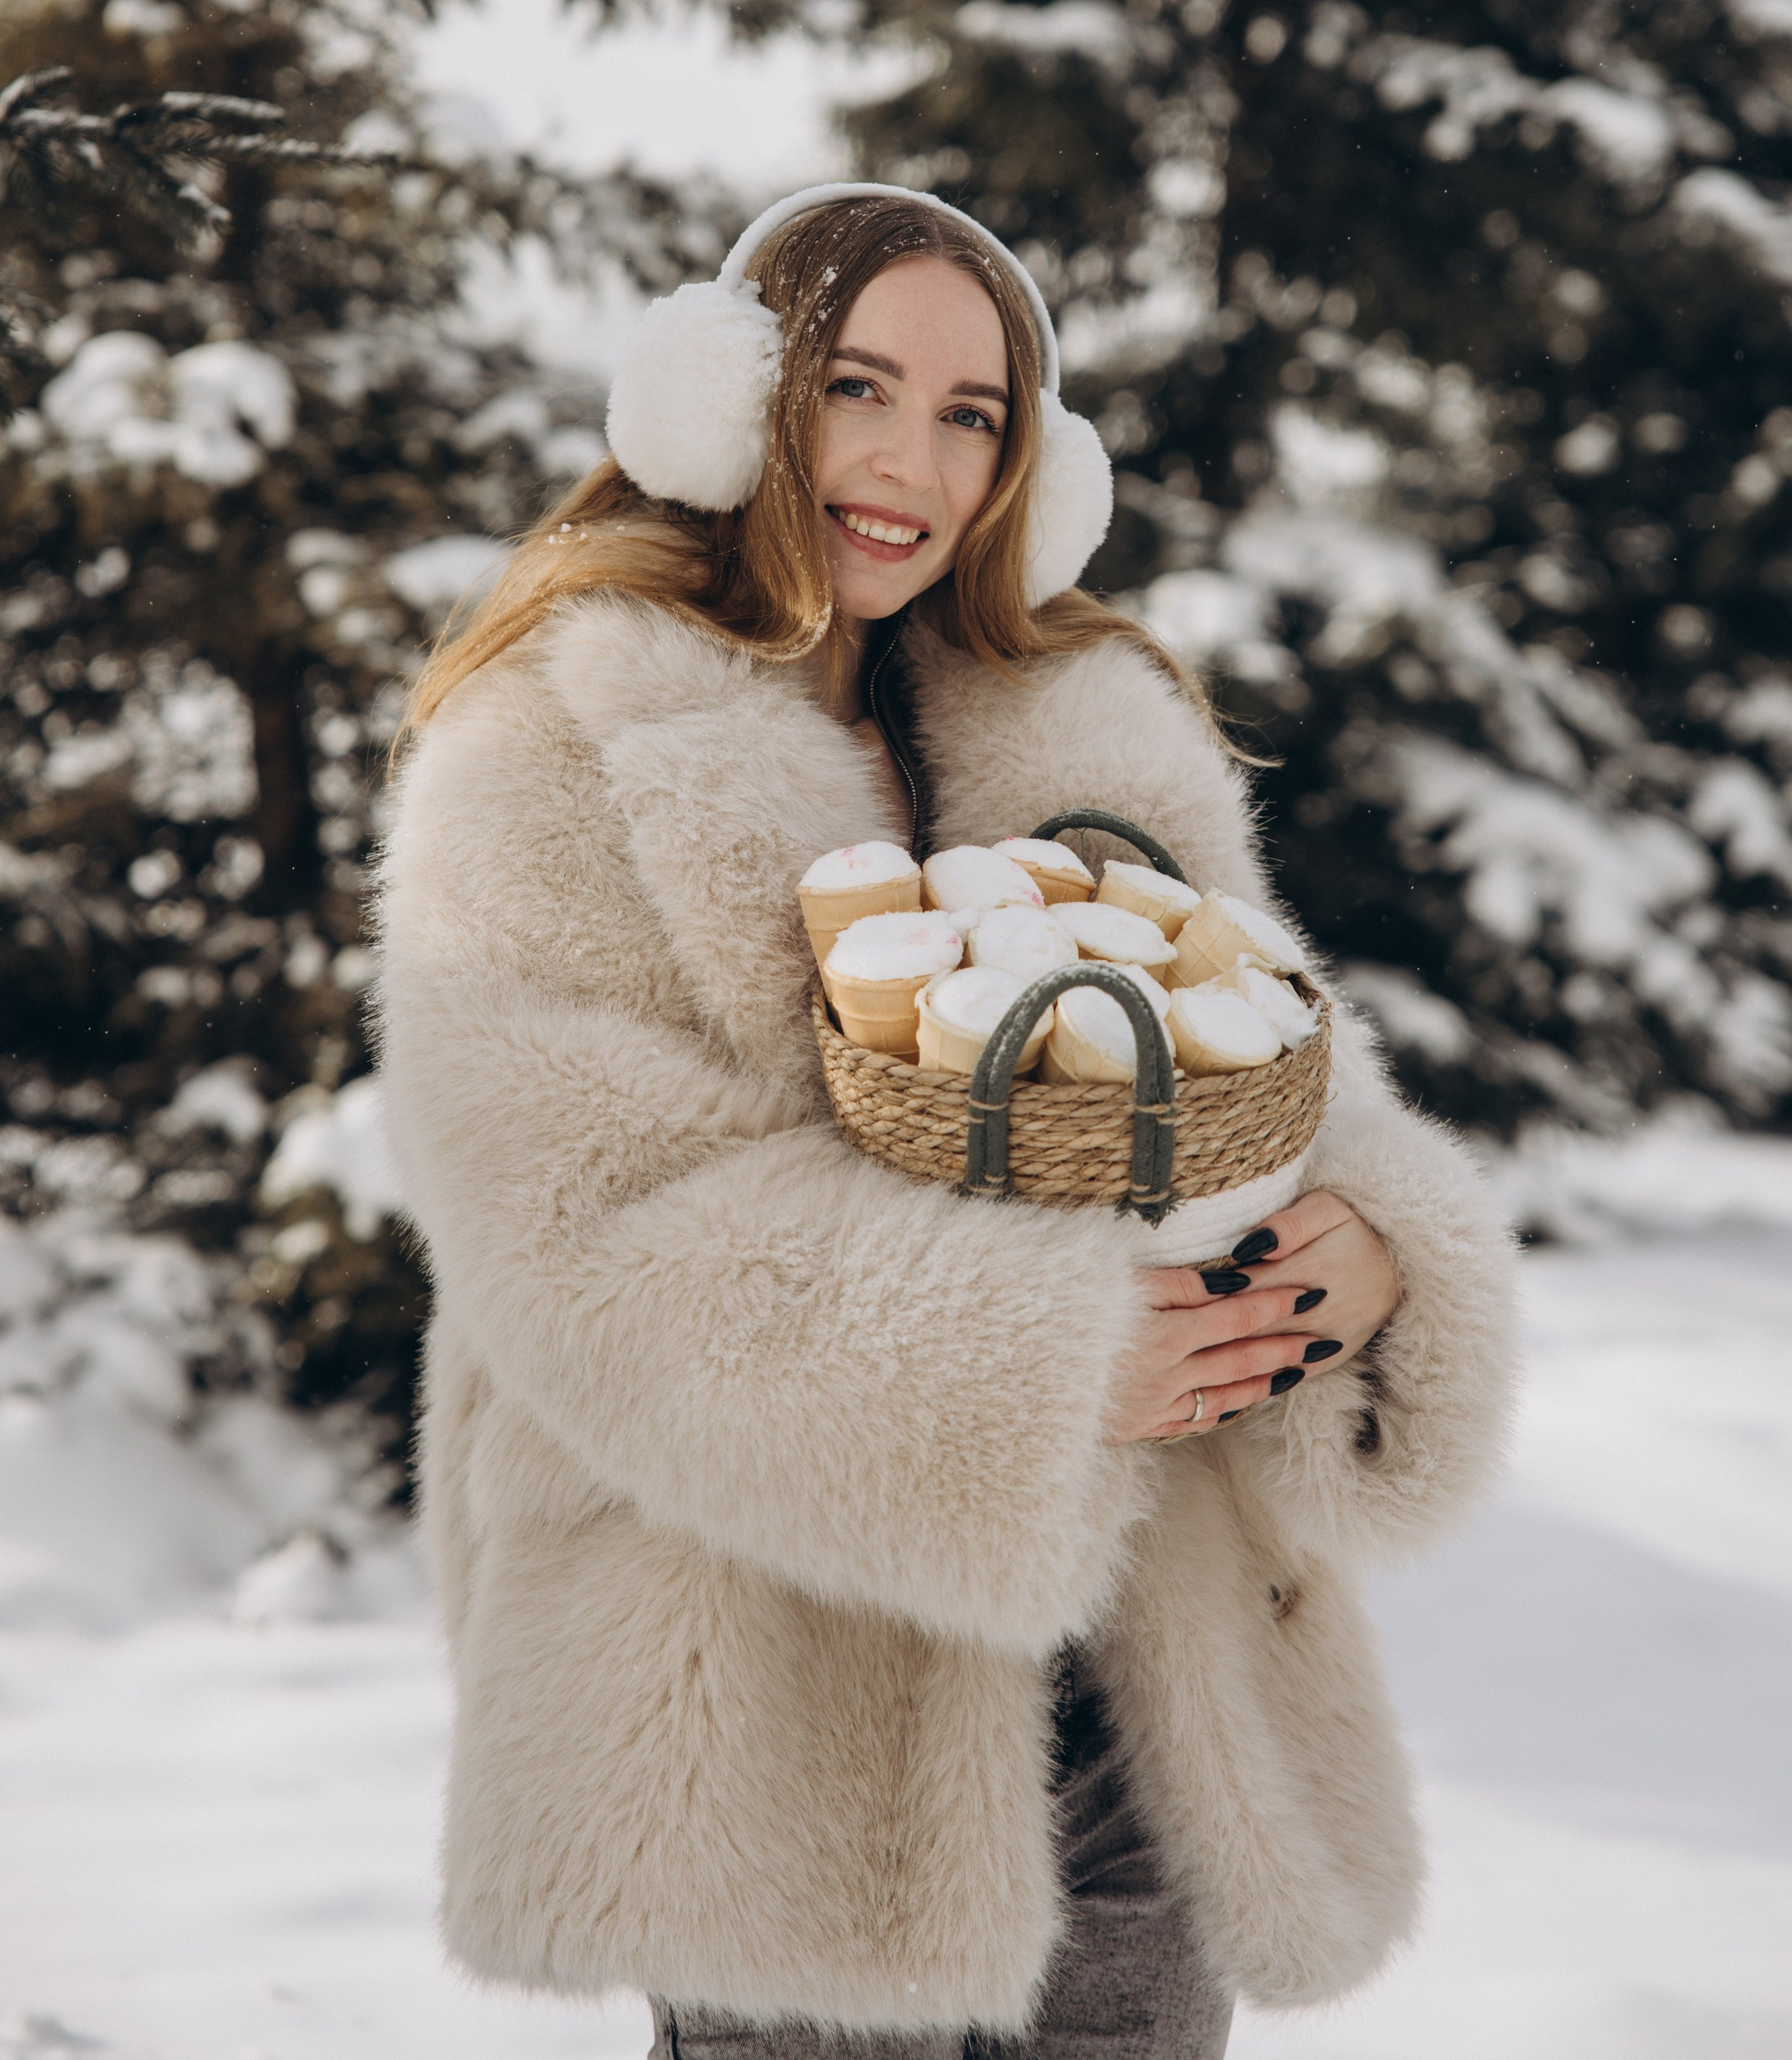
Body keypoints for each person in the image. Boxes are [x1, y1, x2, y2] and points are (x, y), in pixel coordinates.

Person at [376, 183, 1518, 2060]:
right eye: (857, 388)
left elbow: (1264, 1061)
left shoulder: (1086, 732)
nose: (910, 463)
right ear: (726, 401)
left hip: (1131, 1684)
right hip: (762, 1690)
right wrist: (1041, 1365)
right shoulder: (552, 747)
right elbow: (586, 1231)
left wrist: (1371, 1245)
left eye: (971, 415)